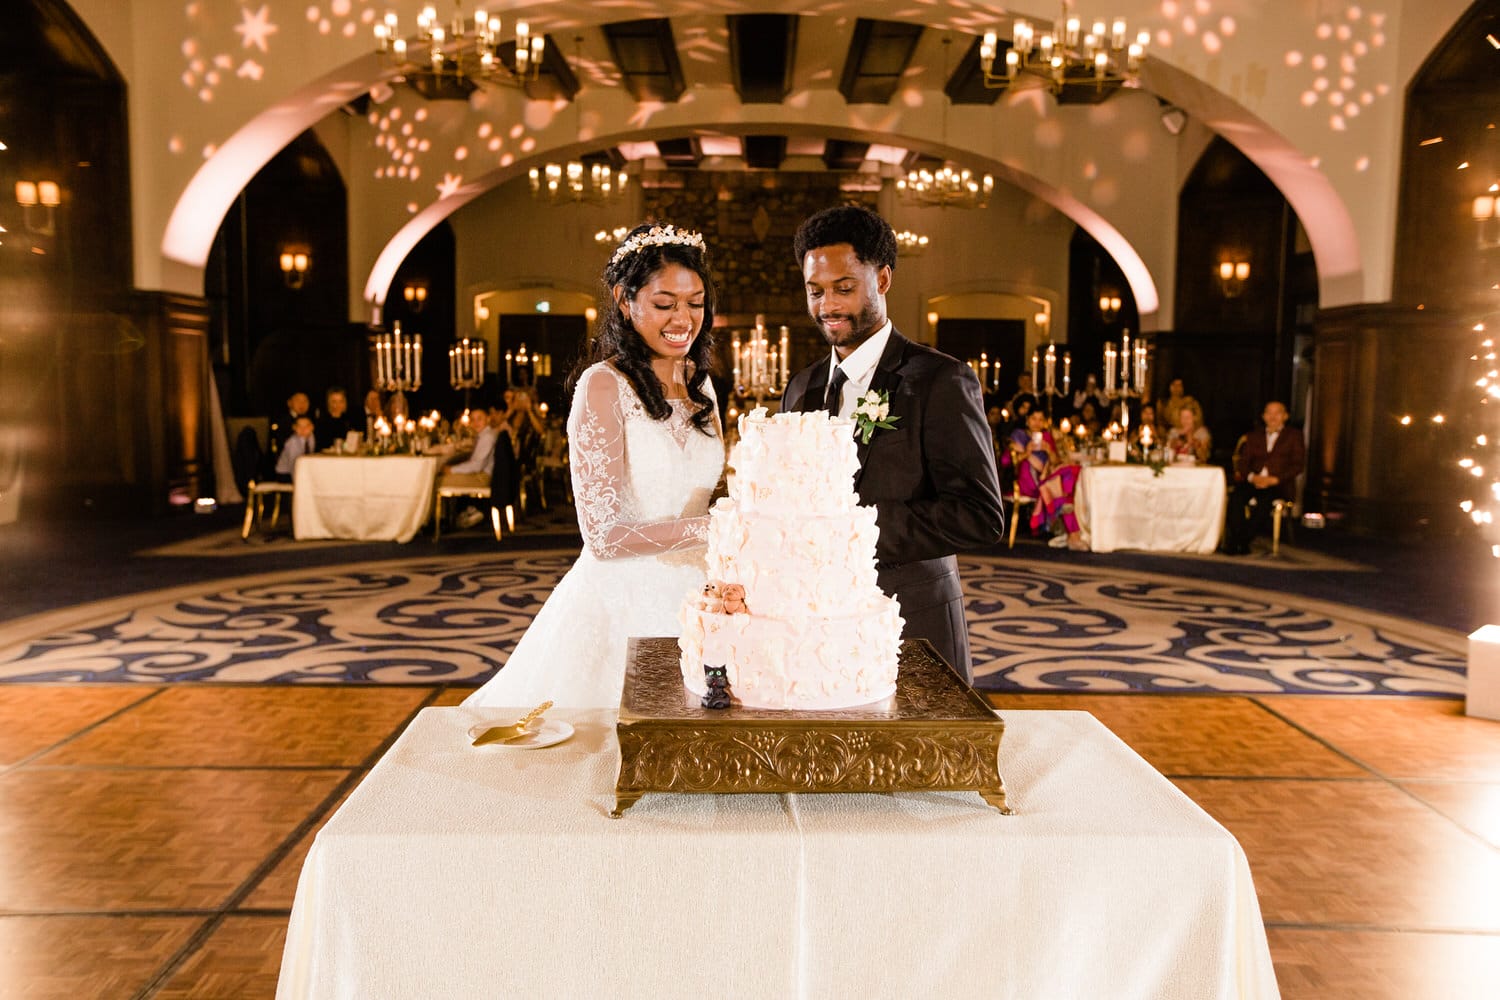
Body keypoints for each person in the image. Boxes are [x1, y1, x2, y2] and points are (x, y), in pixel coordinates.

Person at [465, 223, 724, 708]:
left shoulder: (702, 385)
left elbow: (708, 488)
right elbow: (603, 536)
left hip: (702, 598)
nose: (683, 318)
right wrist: (712, 528)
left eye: (695, 302)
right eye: (664, 303)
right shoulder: (602, 386)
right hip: (623, 600)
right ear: (625, 301)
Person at [781, 205, 1005, 681]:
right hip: (813, 626)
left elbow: (981, 516)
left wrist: (854, 530)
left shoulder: (939, 380)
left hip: (914, 621)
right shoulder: (800, 386)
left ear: (882, 279)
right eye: (814, 291)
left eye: (844, 288)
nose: (827, 307)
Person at [1223, 400, 1305, 555]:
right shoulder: (1253, 436)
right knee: (1236, 498)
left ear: (1285, 416)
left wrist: (1275, 479)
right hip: (1254, 480)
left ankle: (1242, 541)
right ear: (1264, 416)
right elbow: (1243, 462)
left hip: (1278, 484)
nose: (1273, 417)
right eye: (1269, 413)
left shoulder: (1294, 436)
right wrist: (1253, 477)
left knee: (1264, 503)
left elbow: (1297, 465)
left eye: (1277, 413)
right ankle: (1237, 540)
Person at [1008, 409, 1086, 550]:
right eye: (1034, 418)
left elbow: (1056, 462)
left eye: (1040, 419)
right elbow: (1007, 462)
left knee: (1073, 469)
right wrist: (1027, 452)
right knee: (1062, 489)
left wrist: (1049, 450)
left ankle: (1073, 535)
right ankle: (1073, 537)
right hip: (1027, 481)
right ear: (1027, 420)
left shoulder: (1047, 437)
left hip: (1046, 480)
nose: (1037, 423)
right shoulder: (1019, 435)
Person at [272, 415, 315, 482]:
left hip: (302, 469)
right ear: (294, 427)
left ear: (312, 427)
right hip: (285, 473)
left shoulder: (311, 437)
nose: (303, 429)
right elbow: (293, 465)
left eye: (306, 426)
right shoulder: (291, 443)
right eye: (299, 426)